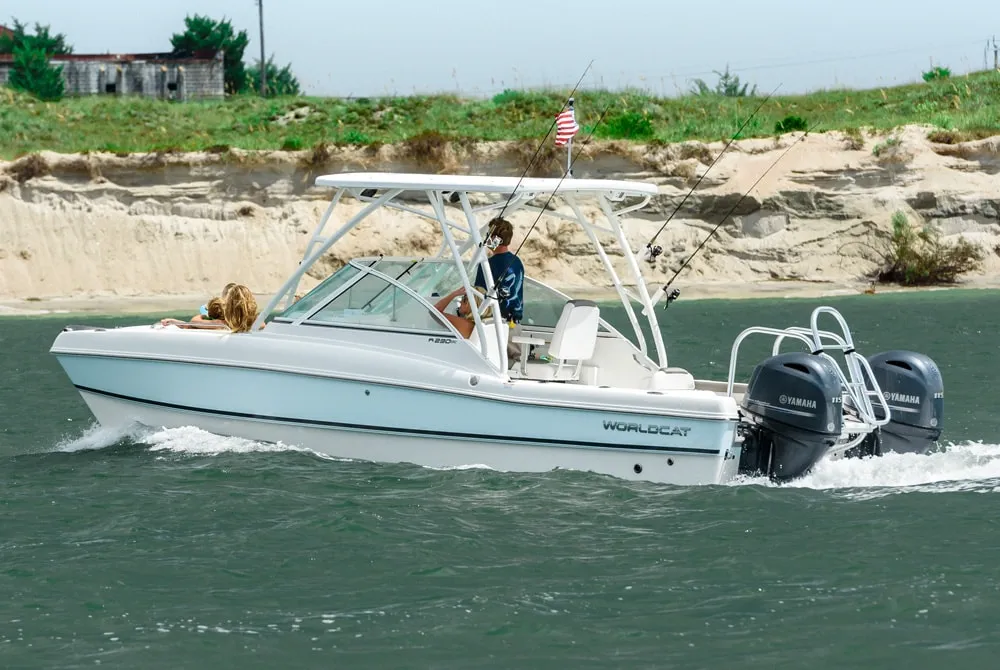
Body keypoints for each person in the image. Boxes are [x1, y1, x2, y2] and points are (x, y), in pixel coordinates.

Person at [474, 218, 524, 325]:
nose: (486, 238)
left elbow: (478, 296)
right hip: (514, 323)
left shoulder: (486, 265)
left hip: (492, 324)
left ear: (496, 239)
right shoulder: (517, 262)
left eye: (488, 235)